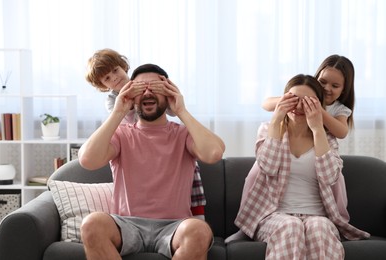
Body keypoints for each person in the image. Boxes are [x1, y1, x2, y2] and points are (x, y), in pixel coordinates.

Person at [78, 63, 225, 259]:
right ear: (130, 95)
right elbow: (87, 160)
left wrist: (181, 110)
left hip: (174, 227)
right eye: (140, 88)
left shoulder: (183, 134)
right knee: (91, 224)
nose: (147, 92)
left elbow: (214, 153)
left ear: (168, 93)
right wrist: (118, 112)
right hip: (125, 224)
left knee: (199, 230)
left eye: (155, 88)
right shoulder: (121, 134)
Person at [230, 74, 369, 259]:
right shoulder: (268, 129)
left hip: (318, 216)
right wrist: (276, 120)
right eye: (293, 100)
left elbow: (330, 177)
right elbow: (268, 167)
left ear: (318, 106)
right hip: (274, 216)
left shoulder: (327, 138)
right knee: (290, 226)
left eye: (307, 102)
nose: (298, 107)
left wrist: (318, 129)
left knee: (319, 228)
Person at [85, 48, 206, 219]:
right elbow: (117, 125)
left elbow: (171, 112)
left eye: (115, 71)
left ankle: (198, 217)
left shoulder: (143, 83)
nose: (114, 78)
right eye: (107, 78)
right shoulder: (114, 101)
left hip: (162, 139)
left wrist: (167, 96)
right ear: (103, 86)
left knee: (192, 169)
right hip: (134, 144)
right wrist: (127, 103)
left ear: (123, 66)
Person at [262, 54, 355, 139]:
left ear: (344, 89)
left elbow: (342, 133)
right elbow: (265, 104)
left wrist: (319, 110)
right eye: (322, 82)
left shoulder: (339, 109)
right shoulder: (302, 96)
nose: (326, 88)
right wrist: (287, 100)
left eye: (335, 86)